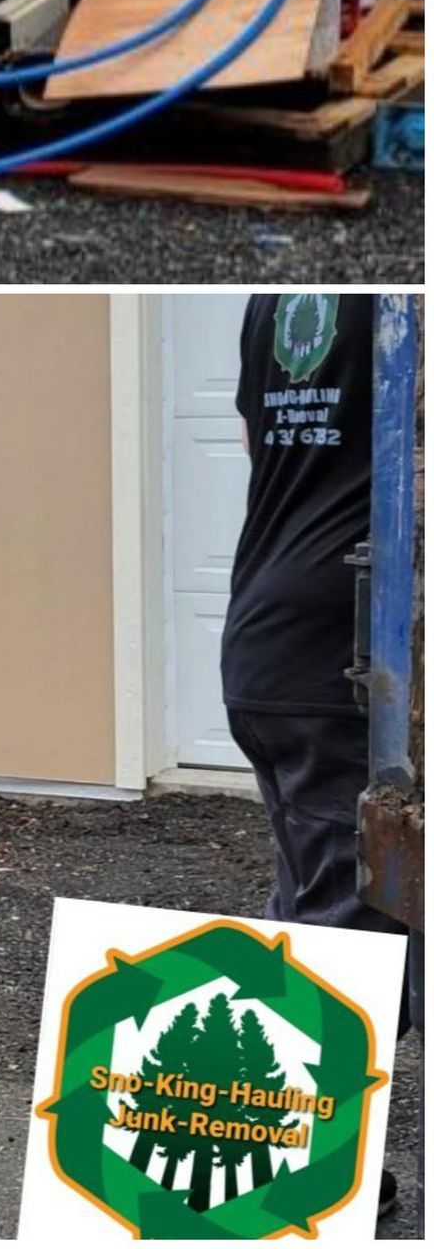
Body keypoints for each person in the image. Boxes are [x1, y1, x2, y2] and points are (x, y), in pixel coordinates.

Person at [226, 292, 404, 1215]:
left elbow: (267, 444)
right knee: (355, 916)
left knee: (321, 899)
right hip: (350, 649)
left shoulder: (279, 298)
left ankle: (302, 1171)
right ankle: (309, 1194)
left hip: (277, 629)